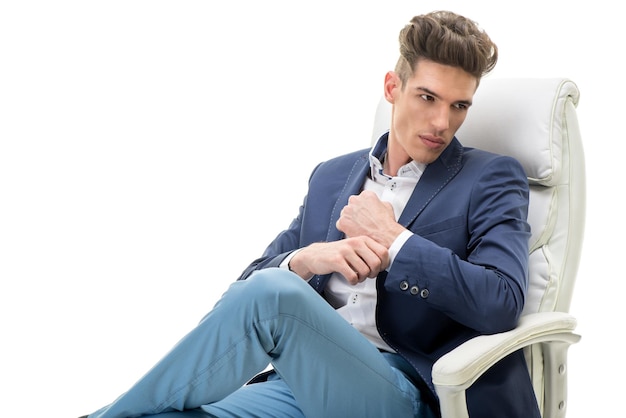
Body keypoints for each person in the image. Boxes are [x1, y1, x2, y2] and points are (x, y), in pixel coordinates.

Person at [81, 10, 541, 418]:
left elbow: (501, 301)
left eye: (459, 105)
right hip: (300, 382)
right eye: (427, 97)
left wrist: (396, 241)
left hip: (401, 390)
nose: (443, 122)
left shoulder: (490, 177)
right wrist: (307, 259)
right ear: (392, 87)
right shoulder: (332, 176)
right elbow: (246, 290)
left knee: (272, 295)